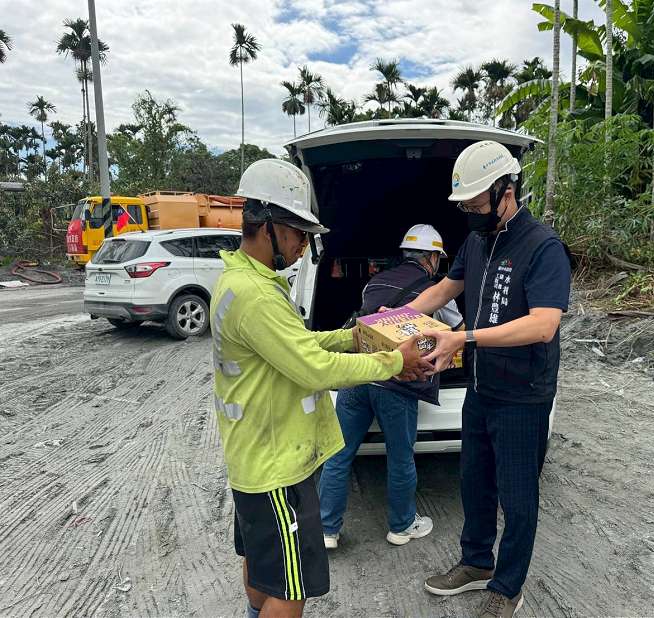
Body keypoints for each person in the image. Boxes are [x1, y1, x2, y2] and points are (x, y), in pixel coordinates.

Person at [210, 159, 432, 618]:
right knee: (291, 591)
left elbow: (294, 345)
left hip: (252, 456)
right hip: (276, 468)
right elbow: (313, 368)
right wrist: (394, 359)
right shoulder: (257, 296)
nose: (303, 246)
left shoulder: (239, 282)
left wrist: (351, 337)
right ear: (269, 226)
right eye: (298, 233)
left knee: (263, 566)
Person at [408, 141, 571, 618]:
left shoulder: (543, 247)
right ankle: (476, 563)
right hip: (481, 389)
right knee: (474, 483)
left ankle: (508, 585)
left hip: (523, 396)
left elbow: (543, 324)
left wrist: (465, 339)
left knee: (518, 497)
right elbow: (443, 289)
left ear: (507, 190)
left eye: (479, 205)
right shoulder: (477, 240)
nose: (473, 215)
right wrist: (391, 316)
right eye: (466, 207)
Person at [318, 225, 464, 549]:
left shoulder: (373, 283)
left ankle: (327, 530)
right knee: (400, 457)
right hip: (398, 383)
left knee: (339, 455)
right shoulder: (436, 289)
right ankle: (401, 526)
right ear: (431, 258)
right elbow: (458, 332)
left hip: (359, 375)